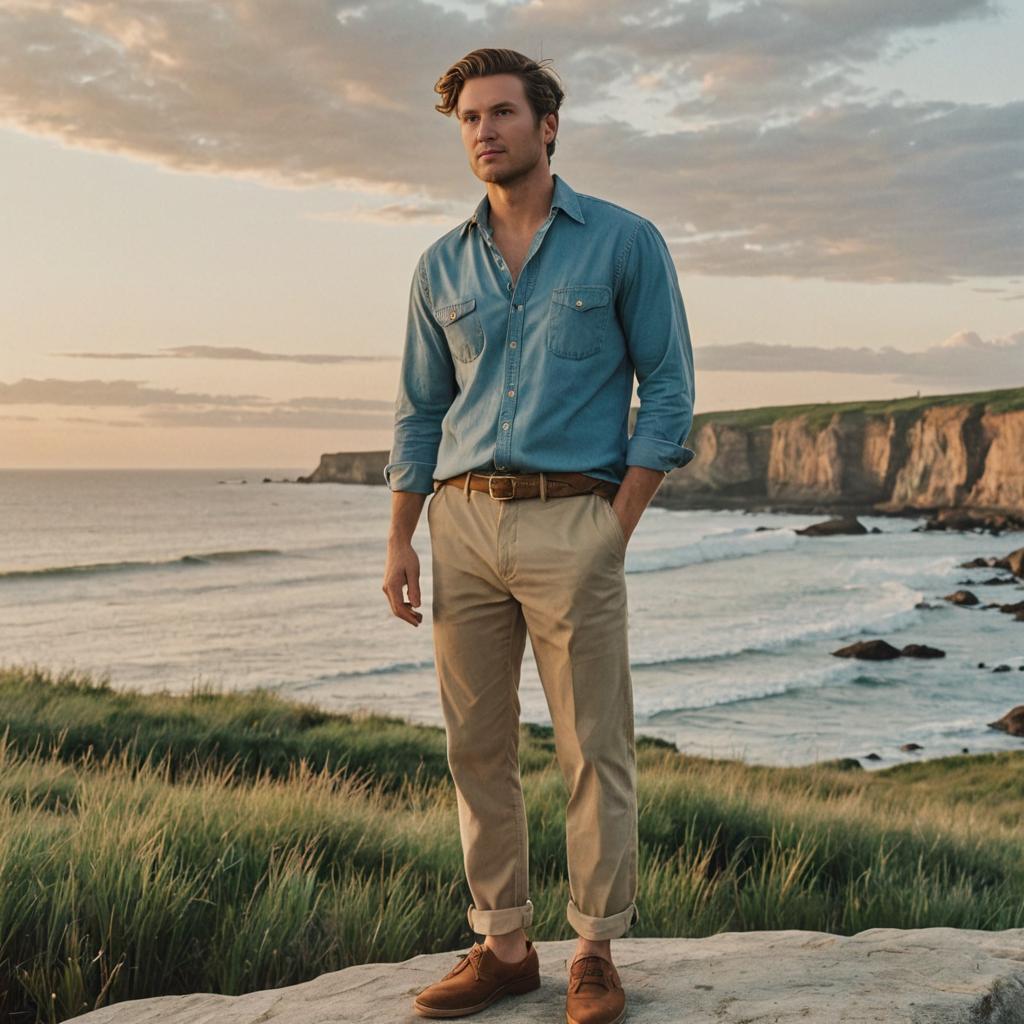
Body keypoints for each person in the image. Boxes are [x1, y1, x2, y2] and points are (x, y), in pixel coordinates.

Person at [381, 47, 696, 1023]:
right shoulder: (439, 264)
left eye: (501, 113)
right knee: (476, 747)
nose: (483, 131)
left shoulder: (623, 242)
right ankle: (504, 944)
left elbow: (670, 392)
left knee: (591, 745)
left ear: (547, 125)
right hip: (462, 522)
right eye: (469, 118)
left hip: (576, 517)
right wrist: (401, 537)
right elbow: (418, 412)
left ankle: (594, 951)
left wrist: (614, 526)